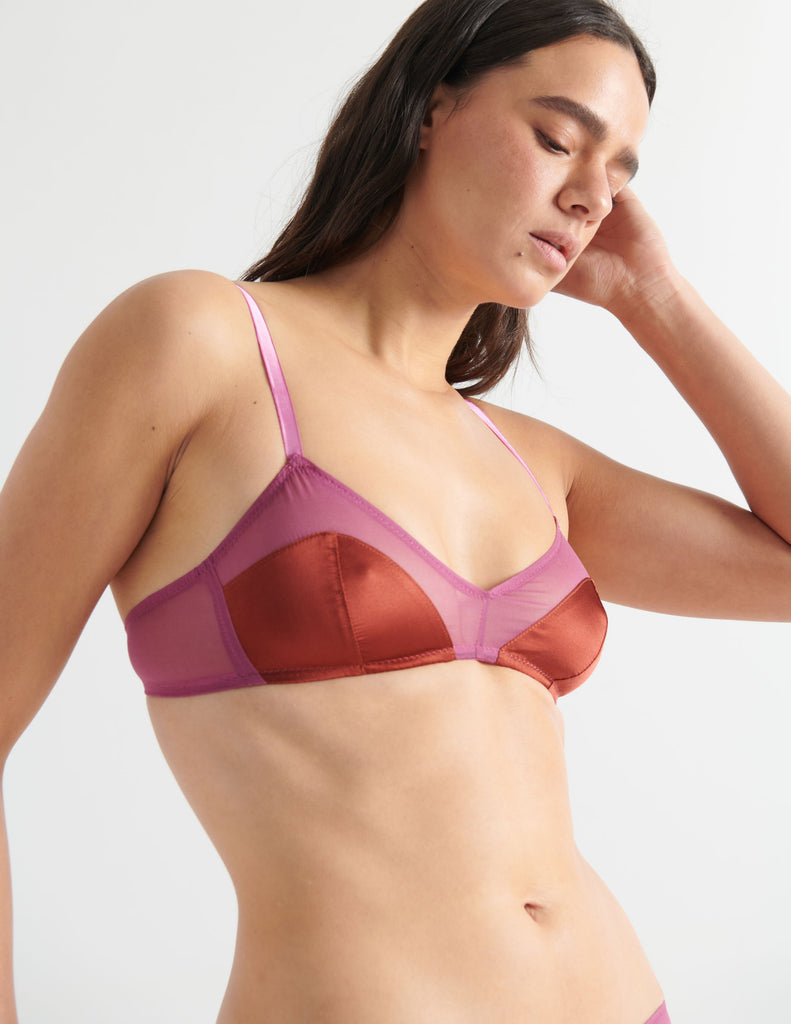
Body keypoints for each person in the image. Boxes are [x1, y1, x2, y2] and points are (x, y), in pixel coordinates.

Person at [1, 0, 789, 1020]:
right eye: (559, 139)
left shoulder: (532, 462)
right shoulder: (201, 343)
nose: (589, 196)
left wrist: (656, 296)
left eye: (618, 174)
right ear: (429, 108)